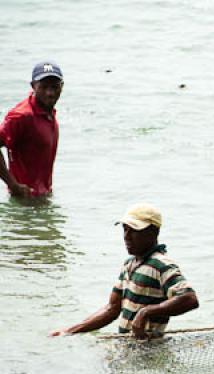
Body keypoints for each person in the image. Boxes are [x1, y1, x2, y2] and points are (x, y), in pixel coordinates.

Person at [50, 204, 199, 339]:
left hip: (148, 350)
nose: (127, 237)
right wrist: (70, 331)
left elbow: (189, 299)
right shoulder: (129, 264)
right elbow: (112, 309)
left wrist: (146, 312)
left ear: (153, 232)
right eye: (125, 229)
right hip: (128, 347)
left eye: (134, 231)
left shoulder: (161, 265)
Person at [0, 62, 64, 198]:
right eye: (44, 87)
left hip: (43, 199)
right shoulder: (21, 116)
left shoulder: (48, 112)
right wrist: (13, 185)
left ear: (62, 87)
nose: (50, 93)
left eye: (54, 87)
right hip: (23, 203)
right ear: (33, 86)